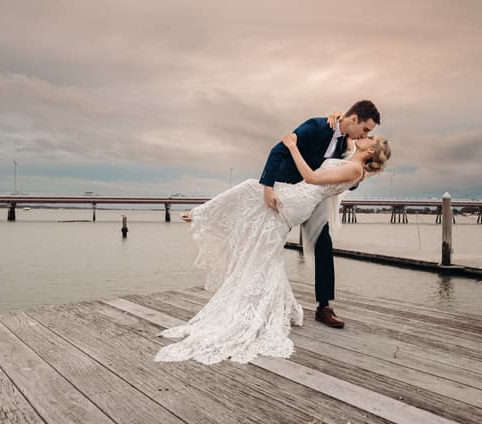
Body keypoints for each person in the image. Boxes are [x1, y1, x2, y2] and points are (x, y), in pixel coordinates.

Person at [155, 133, 391, 365]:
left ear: (370, 151)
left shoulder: (354, 170)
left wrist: (292, 146)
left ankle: (200, 215)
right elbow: (346, 132)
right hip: (299, 194)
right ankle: (204, 218)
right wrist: (337, 117)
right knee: (265, 248)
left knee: (250, 189)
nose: (365, 135)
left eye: (371, 138)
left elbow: (310, 177)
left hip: (301, 196)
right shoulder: (353, 159)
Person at [261, 101, 381, 328]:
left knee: (324, 245)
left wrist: (359, 175)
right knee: (270, 242)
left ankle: (324, 307)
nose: (365, 134)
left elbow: (347, 177)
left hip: (314, 199)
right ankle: (265, 297)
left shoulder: (349, 143)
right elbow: (279, 150)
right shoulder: (317, 126)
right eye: (366, 129)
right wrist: (268, 187)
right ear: (354, 119)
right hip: (288, 192)